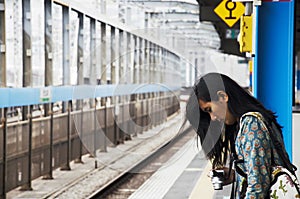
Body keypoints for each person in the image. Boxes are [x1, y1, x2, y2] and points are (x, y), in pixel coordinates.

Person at [185, 72, 295, 199]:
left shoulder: (251, 125)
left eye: (209, 109)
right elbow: (260, 172)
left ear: (223, 96)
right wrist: (236, 175)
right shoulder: (245, 123)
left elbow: (257, 188)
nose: (213, 117)